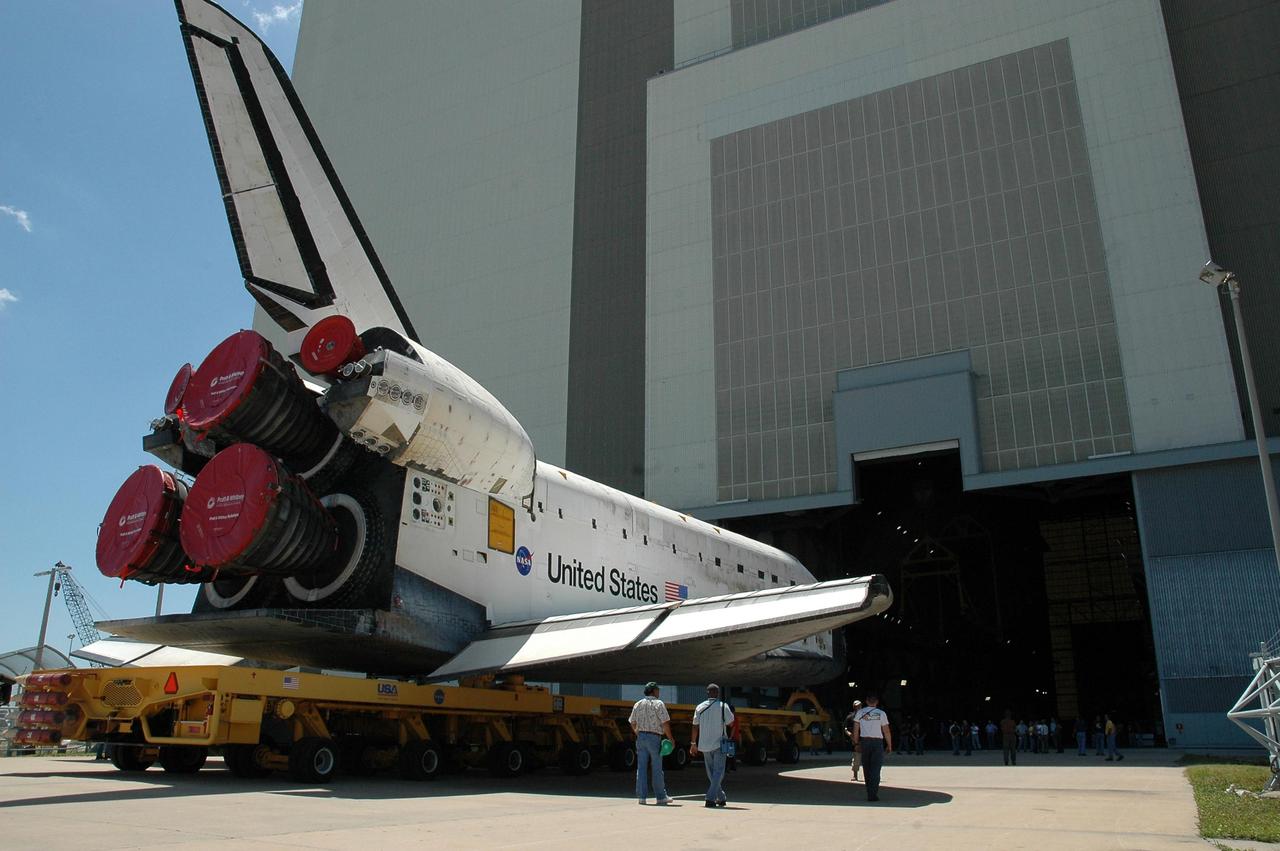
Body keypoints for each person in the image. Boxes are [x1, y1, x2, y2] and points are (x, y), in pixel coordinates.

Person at [628, 681, 675, 805]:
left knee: (641, 767)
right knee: (657, 768)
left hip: (641, 737)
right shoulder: (659, 704)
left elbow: (632, 722)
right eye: (658, 690)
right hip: (654, 737)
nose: (659, 692)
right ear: (653, 691)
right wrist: (671, 739)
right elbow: (665, 723)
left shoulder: (638, 704)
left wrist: (637, 732)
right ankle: (660, 796)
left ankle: (642, 797)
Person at [690, 683, 735, 808]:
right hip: (719, 743)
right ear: (718, 693)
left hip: (704, 744)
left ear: (707, 693)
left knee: (711, 773)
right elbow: (731, 723)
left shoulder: (699, 707)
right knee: (718, 772)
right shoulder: (723, 706)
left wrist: (693, 743)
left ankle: (721, 797)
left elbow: (695, 726)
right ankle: (710, 798)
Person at [852, 695, 892, 802]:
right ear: (877, 702)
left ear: (866, 701)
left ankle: (869, 791)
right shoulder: (881, 714)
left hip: (865, 741)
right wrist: (889, 745)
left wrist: (856, 743)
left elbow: (856, 729)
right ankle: (873, 793)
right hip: (877, 742)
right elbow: (886, 731)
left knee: (867, 767)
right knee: (876, 768)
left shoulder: (860, 713)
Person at [844, 701, 863, 780]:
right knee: (856, 757)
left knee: (868, 758)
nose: (858, 707)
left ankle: (869, 775)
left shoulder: (866, 716)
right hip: (856, 740)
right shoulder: (850, 717)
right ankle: (855, 775)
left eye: (859, 706)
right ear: (854, 707)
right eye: (856, 706)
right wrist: (851, 736)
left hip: (865, 739)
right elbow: (846, 729)